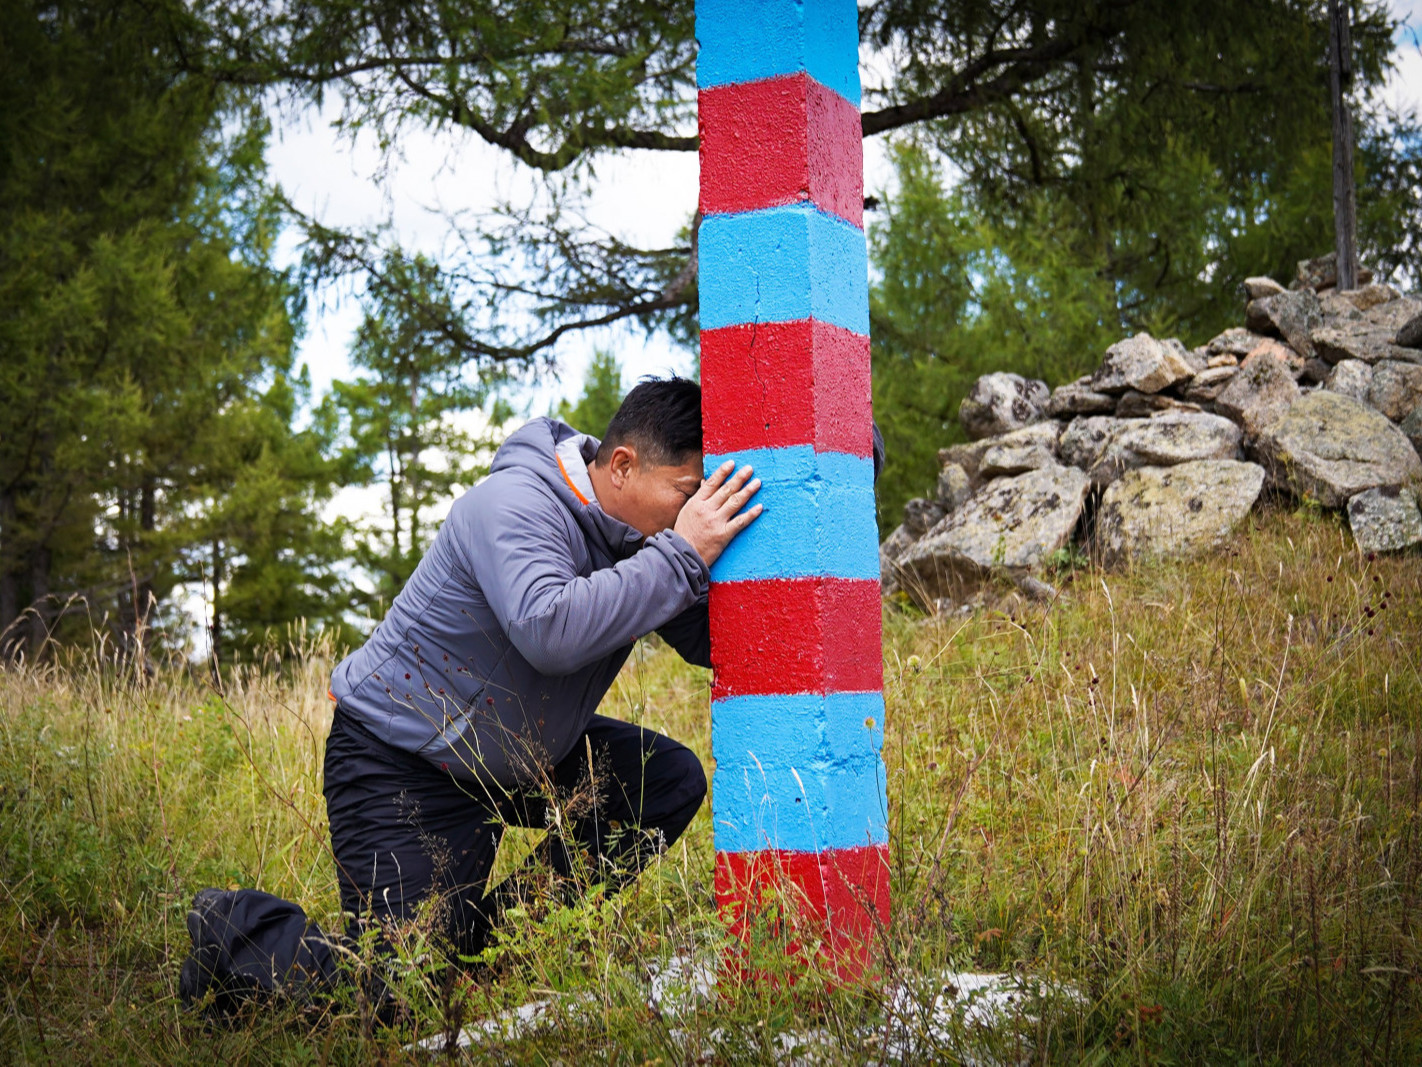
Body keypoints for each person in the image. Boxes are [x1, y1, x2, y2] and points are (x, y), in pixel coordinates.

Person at [180, 376, 763, 1012]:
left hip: (511, 758)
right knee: (396, 994)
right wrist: (683, 555)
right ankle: (236, 929)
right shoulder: (515, 502)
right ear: (622, 466)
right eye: (686, 494)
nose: (690, 518)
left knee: (664, 779)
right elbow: (550, 630)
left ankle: (487, 952)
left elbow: (719, 639)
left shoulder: (642, 539)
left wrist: (821, 484)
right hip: (398, 762)